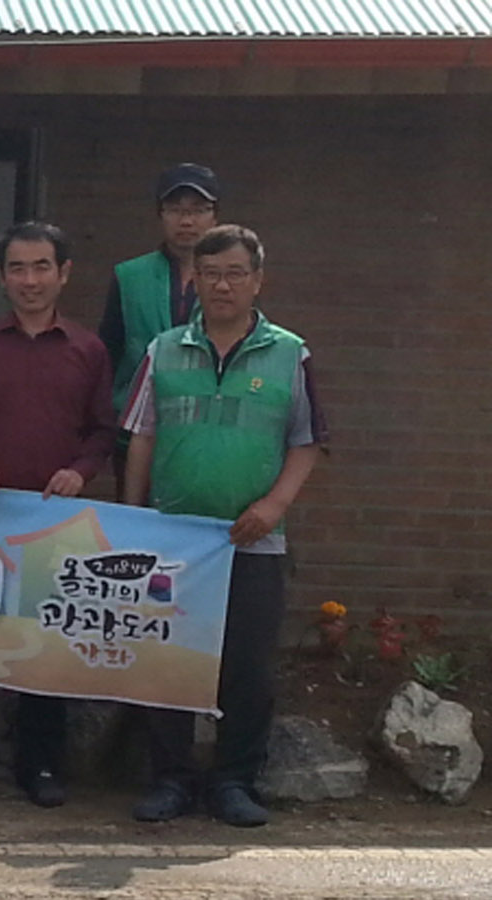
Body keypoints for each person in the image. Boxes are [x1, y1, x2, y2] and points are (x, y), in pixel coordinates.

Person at [122, 225, 325, 828]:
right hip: (174, 542)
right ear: (195, 281)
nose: (223, 285)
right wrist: (135, 518)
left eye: (236, 273)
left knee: (248, 669)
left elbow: (307, 441)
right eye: (210, 274)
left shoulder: (290, 353)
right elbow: (142, 437)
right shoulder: (163, 350)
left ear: (258, 280)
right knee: (168, 662)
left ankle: (235, 781)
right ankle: (171, 780)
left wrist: (276, 505)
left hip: (254, 541)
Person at [0, 222, 115, 811]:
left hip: (51, 523)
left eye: (42, 267)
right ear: (2, 277)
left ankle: (40, 763)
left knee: (44, 646)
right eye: (18, 268)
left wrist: (80, 471)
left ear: (63, 273)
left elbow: (102, 432)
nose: (30, 280)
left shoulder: (88, 350)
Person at [100, 163, 221, 497]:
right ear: (160, 214)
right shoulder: (129, 276)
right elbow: (108, 355)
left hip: (204, 435)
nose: (187, 221)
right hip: (135, 433)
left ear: (215, 217)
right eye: (176, 210)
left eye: (198, 210)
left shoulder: (230, 280)